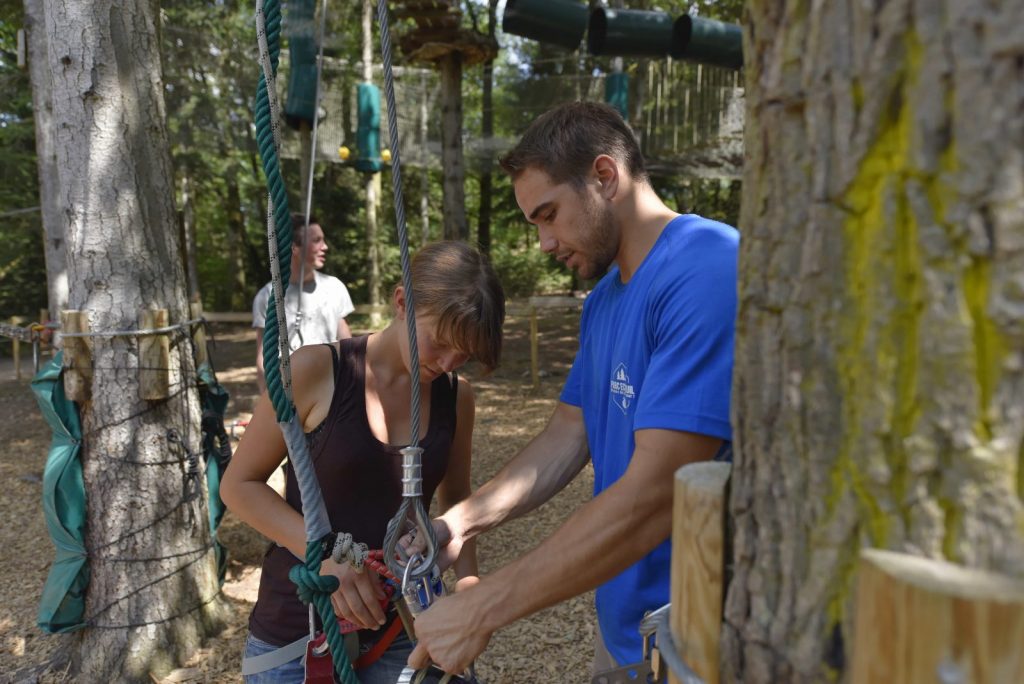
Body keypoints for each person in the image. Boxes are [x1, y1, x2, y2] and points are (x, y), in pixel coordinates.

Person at [406, 102, 739, 675]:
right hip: (625, 628)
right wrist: (456, 523)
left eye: (549, 214)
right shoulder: (607, 298)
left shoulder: (708, 268)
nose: (543, 243)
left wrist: (481, 607)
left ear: (605, 177)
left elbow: (657, 494)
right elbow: (566, 435)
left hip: (704, 636)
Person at [223, 241, 505, 683]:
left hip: (403, 624)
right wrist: (320, 555)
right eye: (441, 342)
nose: (449, 361)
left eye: (464, 352)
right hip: (300, 631)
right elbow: (239, 485)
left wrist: (467, 589)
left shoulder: (456, 396)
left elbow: (457, 501)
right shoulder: (316, 370)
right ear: (401, 302)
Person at [253, 213, 354, 394]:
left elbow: (347, 344)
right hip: (289, 393)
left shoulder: (335, 287)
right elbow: (263, 356)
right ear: (294, 248)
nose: (325, 247)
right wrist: (267, 402)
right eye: (317, 241)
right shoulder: (267, 296)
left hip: (331, 390)